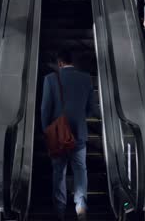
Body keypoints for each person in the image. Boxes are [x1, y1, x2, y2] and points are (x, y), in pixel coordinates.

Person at [41, 50, 98, 221]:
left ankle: (59, 210)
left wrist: (47, 131)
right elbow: (92, 109)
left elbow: (45, 109)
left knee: (59, 172)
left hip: (58, 135)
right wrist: (80, 118)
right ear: (73, 62)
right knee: (80, 170)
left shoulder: (50, 79)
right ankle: (80, 207)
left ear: (59, 63)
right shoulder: (86, 78)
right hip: (79, 133)